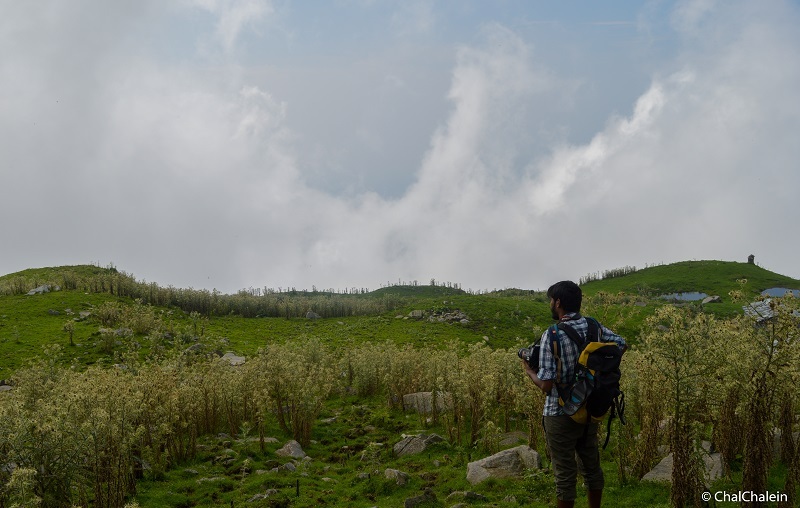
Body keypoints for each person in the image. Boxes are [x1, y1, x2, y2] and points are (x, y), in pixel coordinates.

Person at [521, 281, 626, 508]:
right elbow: (621, 343)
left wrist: (530, 372)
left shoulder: (553, 334)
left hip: (559, 412)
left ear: (558, 303)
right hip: (590, 407)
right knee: (591, 466)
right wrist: (598, 367)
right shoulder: (593, 327)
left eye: (551, 300)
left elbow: (547, 385)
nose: (550, 304)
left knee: (565, 472)